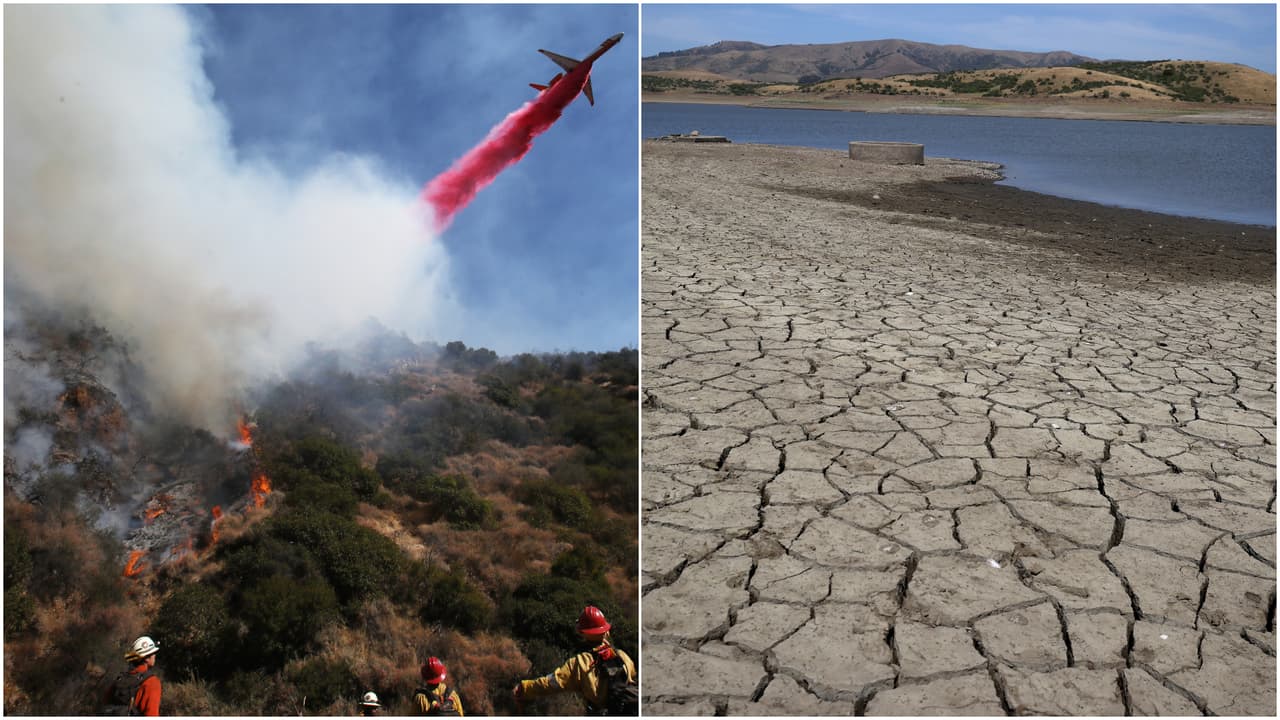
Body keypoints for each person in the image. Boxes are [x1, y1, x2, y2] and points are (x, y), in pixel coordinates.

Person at [512, 606, 637, 715]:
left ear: (582, 632)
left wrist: (524, 687)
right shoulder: (622, 656)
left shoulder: (579, 663)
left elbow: (552, 683)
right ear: (605, 631)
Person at [103, 635, 161, 716]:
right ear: (146, 658)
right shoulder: (151, 682)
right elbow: (151, 714)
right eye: (153, 653)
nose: (155, 655)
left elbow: (106, 703)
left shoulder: (120, 678)